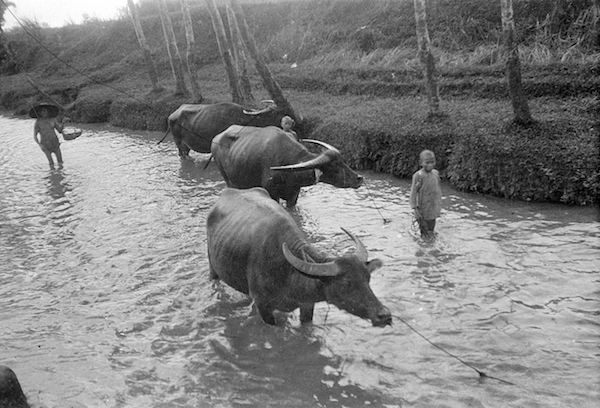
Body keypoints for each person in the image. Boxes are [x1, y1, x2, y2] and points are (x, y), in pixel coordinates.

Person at [409, 149, 442, 239]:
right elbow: (413, 193)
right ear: (421, 163)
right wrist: (415, 209)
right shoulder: (418, 176)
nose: (430, 165)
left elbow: (437, 190)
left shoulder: (435, 173)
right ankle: (424, 247)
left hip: (433, 208)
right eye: (427, 162)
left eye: (432, 162)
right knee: (424, 233)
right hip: (422, 210)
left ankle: (431, 247)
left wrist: (438, 206)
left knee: (431, 231)